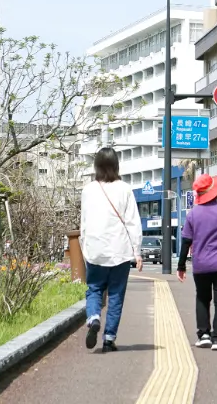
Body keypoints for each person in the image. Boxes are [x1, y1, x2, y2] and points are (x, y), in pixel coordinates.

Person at [79, 147, 142, 352]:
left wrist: (84, 246)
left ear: (97, 166)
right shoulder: (124, 189)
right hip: (120, 251)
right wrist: (137, 251)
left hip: (95, 249)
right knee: (116, 294)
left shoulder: (88, 190)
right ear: (116, 165)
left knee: (94, 289)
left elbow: (84, 223)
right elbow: (133, 222)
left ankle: (94, 316)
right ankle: (108, 338)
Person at [176, 173, 217, 351]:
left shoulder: (192, 214)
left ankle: (203, 334)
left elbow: (186, 243)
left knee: (202, 298)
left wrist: (181, 266)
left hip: (201, 265)